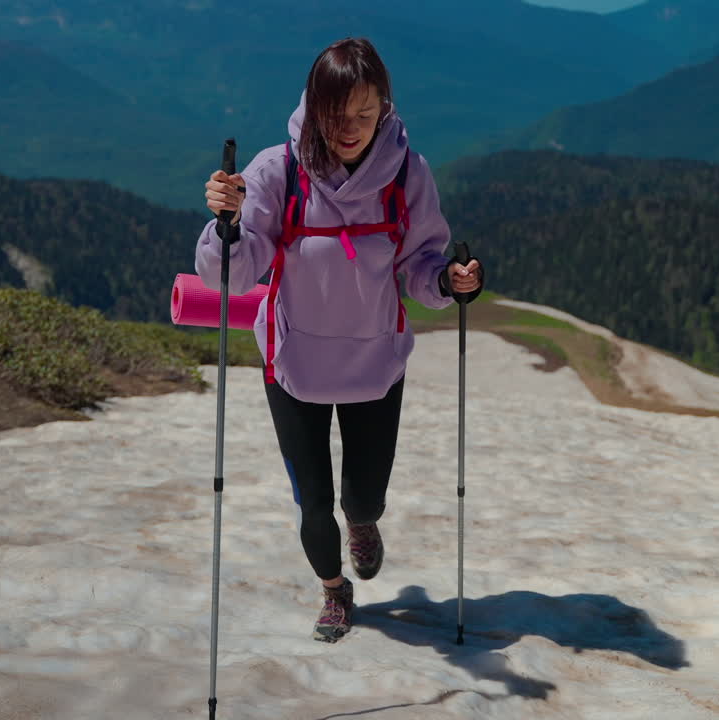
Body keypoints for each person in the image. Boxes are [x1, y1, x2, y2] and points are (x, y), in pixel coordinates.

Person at [195, 37, 483, 643]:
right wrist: (226, 226)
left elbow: (421, 262)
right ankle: (334, 591)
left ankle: (364, 522)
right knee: (313, 502)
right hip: (292, 359)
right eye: (335, 114)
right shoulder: (277, 171)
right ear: (313, 106)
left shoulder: (407, 173)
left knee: (364, 497)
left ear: (384, 109)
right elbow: (236, 274)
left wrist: (447, 282)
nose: (349, 129)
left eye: (364, 114)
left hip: (375, 360)